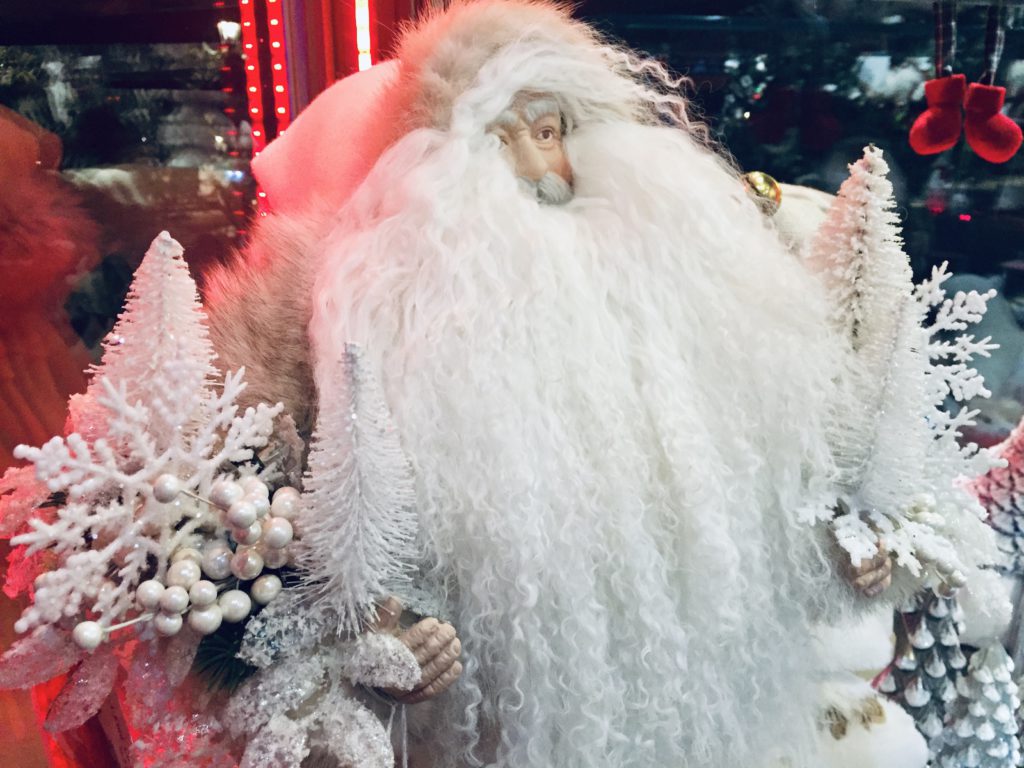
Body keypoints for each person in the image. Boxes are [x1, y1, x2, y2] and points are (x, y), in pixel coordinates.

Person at [205, 2, 898, 766]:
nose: (540, 176)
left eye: (547, 133)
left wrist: (844, 536)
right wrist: (368, 635)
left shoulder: (702, 291)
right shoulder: (331, 309)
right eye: (500, 142)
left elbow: (793, 484)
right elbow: (242, 547)